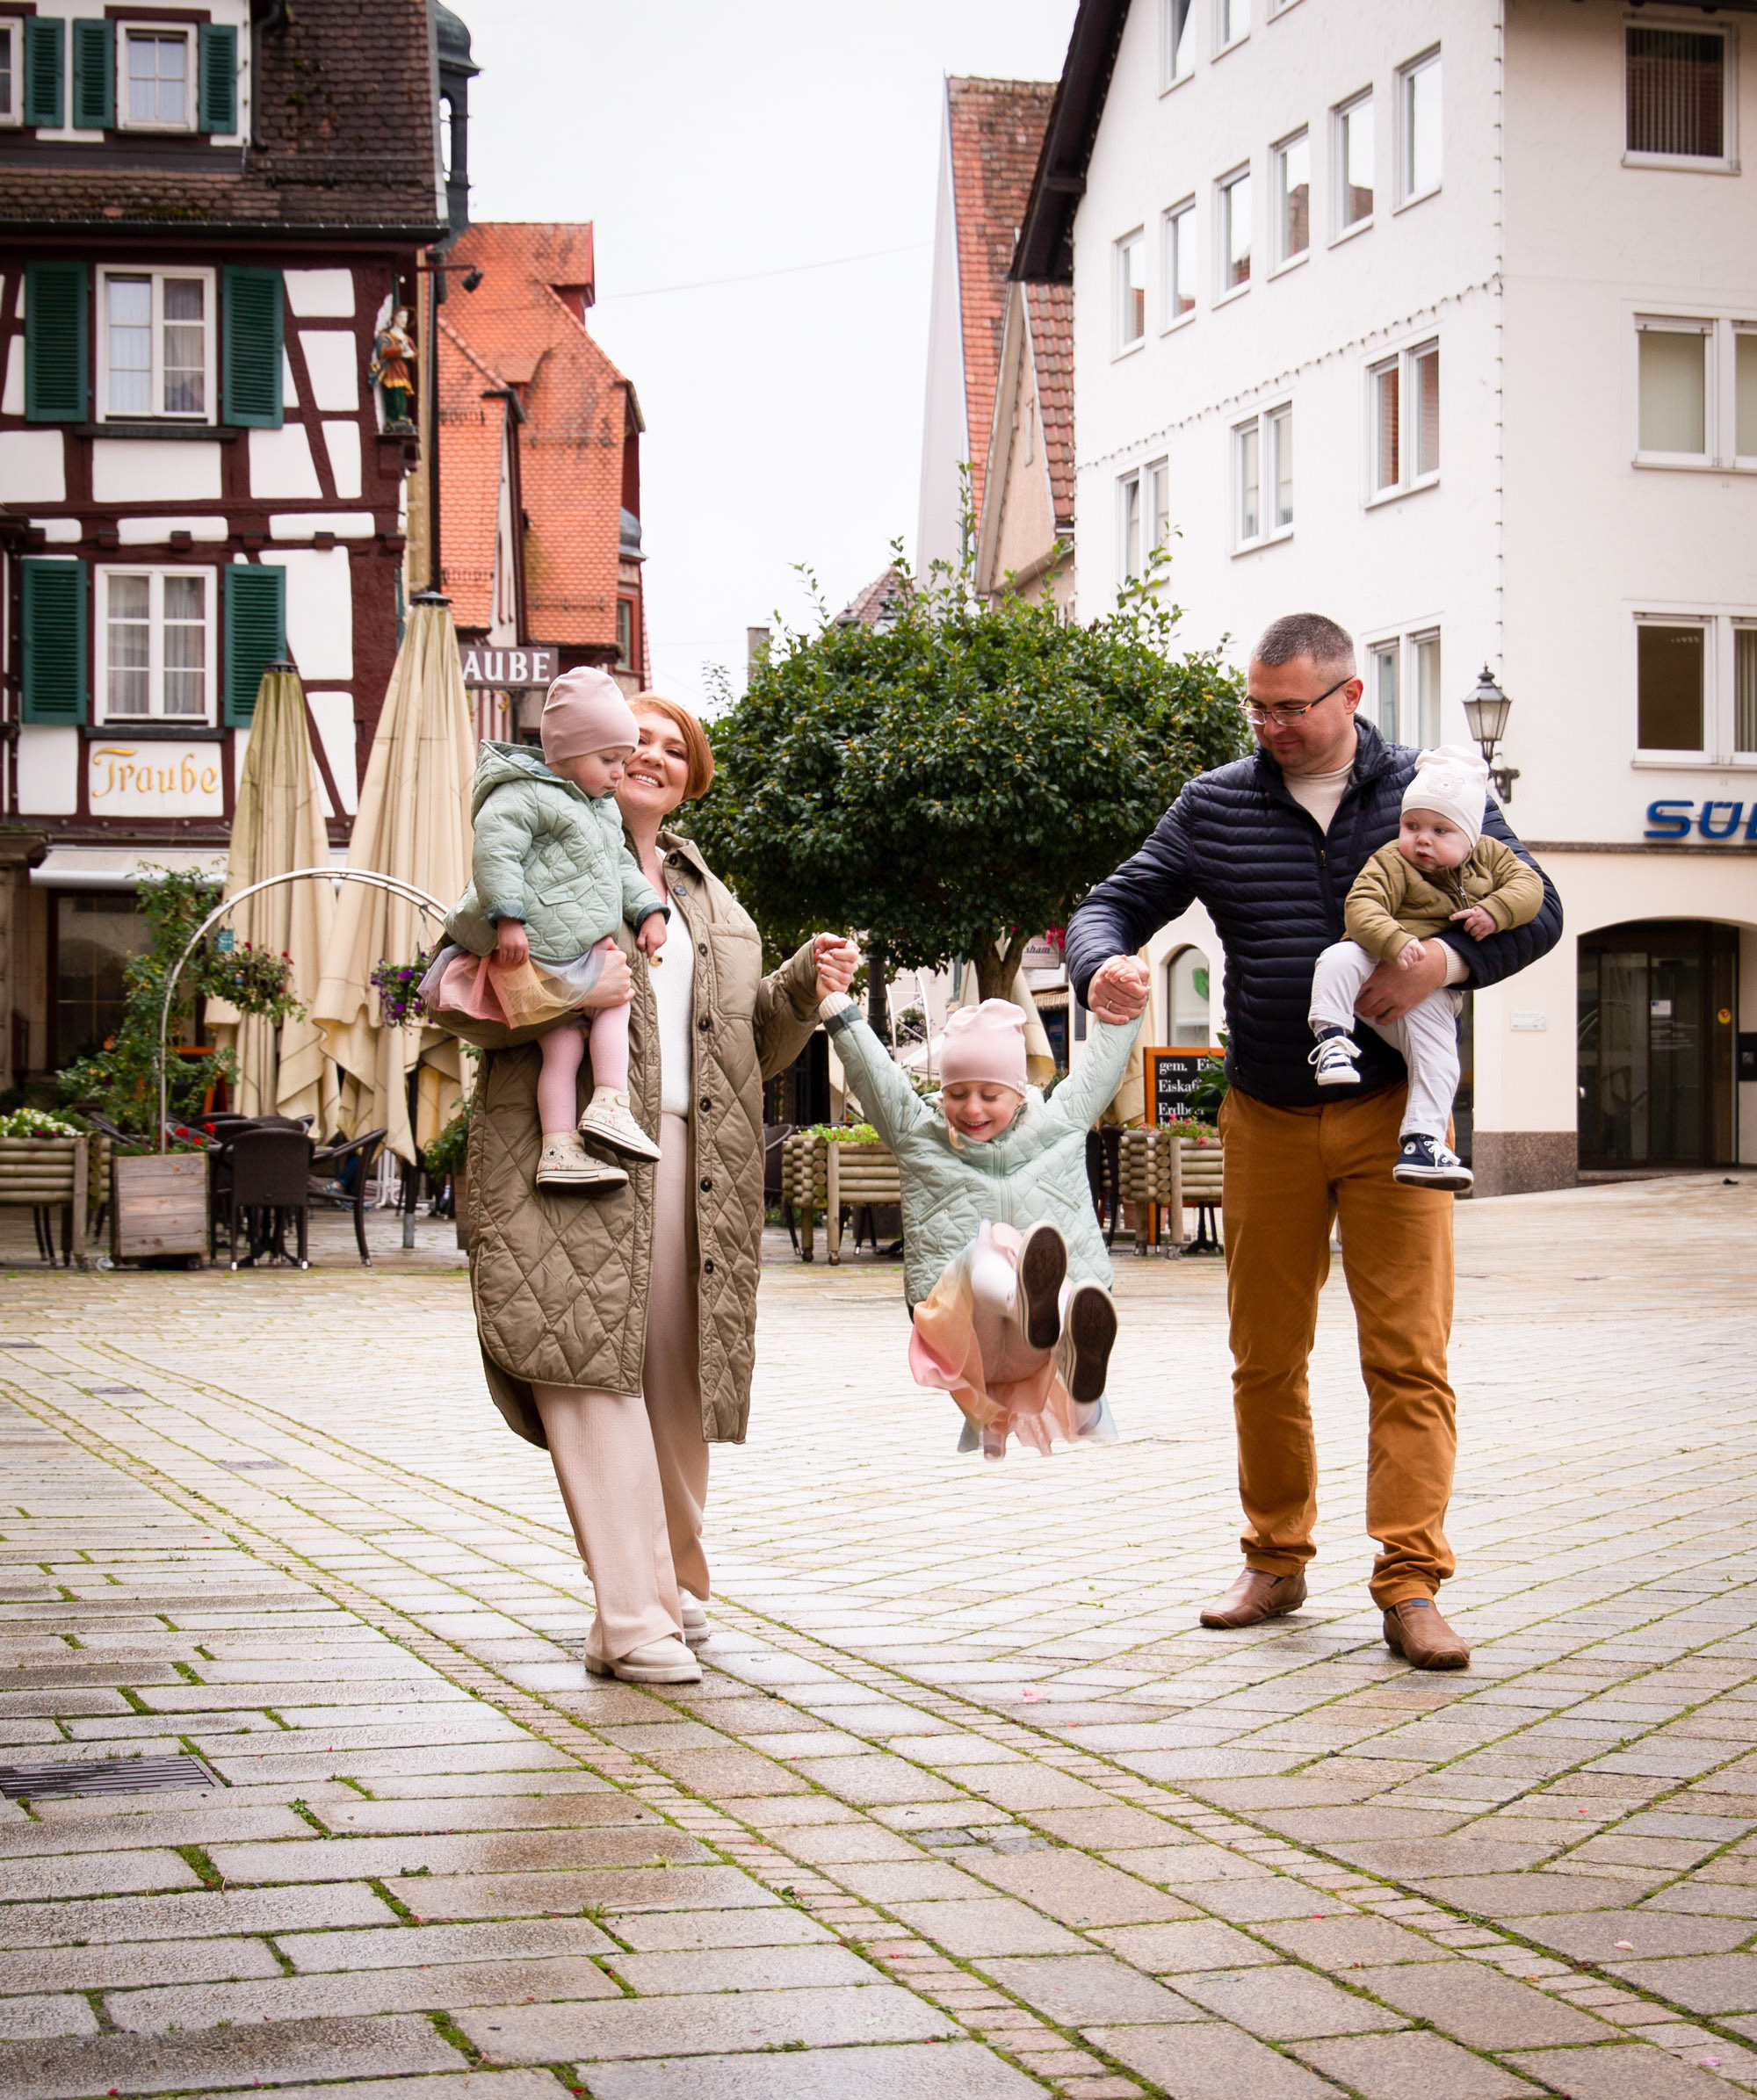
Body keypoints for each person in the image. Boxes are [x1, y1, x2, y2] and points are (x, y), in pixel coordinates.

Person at [1066, 613, 1561, 1671]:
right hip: (1269, 1112)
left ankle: (1410, 1581)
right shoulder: (1216, 803)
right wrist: (1101, 963)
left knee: (1407, 1358)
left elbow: (1538, 908)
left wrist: (1445, 966)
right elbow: (1112, 902)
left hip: (1395, 1116)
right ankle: (1275, 1556)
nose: (1271, 725)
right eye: (1258, 706)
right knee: (1263, 1357)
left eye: (1291, 707)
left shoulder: (1425, 791)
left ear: (1349, 698)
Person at [465, 690, 858, 1685]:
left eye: (672, 747)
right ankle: (632, 1617)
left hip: (694, 1157)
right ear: (594, 751)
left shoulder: (708, 898)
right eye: (635, 739)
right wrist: (566, 991)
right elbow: (441, 994)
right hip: (571, 1149)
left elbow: (746, 1047)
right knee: (585, 1362)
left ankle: (672, 1584)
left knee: (678, 1377)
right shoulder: (542, 836)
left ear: (693, 773)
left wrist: (802, 987)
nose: (650, 755)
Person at [823, 991, 1140, 1460]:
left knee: (1048, 1271)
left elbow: (1099, 1071)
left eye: (989, 1095)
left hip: (1039, 1344)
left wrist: (1127, 1003)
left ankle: (1076, 1332)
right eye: (955, 1094)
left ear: (1019, 1091)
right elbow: (877, 1080)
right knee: (988, 1248)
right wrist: (836, 1008)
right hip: (965, 1333)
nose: (972, 1109)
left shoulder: (1059, 1123)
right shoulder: (919, 1134)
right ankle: (1025, 1298)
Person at [442, 668, 669, 1191]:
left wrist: (649, 911)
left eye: (622, 760)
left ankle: (562, 1144)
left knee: (563, 1044)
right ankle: (609, 1103)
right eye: (609, 760)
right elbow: (495, 852)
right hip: (542, 945)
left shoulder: (602, 811)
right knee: (613, 1002)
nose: (620, 772)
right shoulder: (525, 794)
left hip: (573, 942)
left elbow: (622, 866)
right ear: (566, 752)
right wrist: (508, 916)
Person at [1310, 743, 1544, 1193]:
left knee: (1440, 1054)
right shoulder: (1392, 859)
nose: (1422, 839)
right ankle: (1332, 1037)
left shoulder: (1491, 856)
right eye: (1412, 825)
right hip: (1377, 951)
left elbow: (1530, 889)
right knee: (1336, 958)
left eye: (1441, 830)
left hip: (1428, 990)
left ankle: (1423, 1139)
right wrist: (1396, 942)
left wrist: (1494, 911)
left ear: (1471, 836)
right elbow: (1362, 907)